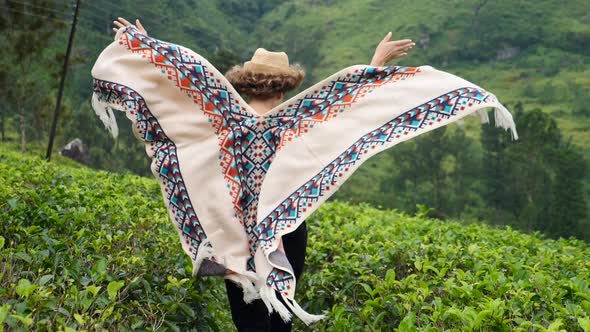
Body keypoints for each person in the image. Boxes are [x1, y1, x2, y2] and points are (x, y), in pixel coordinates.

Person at [112, 17, 415, 332]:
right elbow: (349, 113)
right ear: (285, 87)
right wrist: (377, 62)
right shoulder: (296, 124)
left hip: (235, 231)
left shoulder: (227, 124)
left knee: (249, 320)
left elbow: (173, 105)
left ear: (246, 82)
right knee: (280, 314)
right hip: (287, 228)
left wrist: (143, 49)